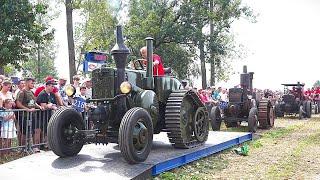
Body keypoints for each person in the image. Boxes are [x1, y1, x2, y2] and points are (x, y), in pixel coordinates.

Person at [16, 77, 44, 147]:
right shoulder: (22, 92)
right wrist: (27, 109)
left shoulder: (31, 92)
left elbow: (33, 102)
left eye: (34, 83)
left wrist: (39, 107)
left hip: (33, 115)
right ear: (27, 83)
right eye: (32, 83)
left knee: (36, 130)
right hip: (24, 116)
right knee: (24, 133)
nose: (33, 84)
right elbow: (18, 104)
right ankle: (23, 148)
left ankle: (34, 147)